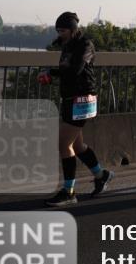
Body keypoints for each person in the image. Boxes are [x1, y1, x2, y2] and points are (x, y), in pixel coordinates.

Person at [41, 12, 113, 207]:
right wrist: (51, 73)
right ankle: (102, 175)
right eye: (58, 30)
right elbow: (67, 69)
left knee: (64, 144)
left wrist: (52, 72)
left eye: (63, 30)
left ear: (73, 30)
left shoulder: (85, 45)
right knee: (77, 146)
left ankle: (69, 192)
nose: (60, 34)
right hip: (70, 99)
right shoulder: (67, 45)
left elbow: (76, 70)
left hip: (81, 100)